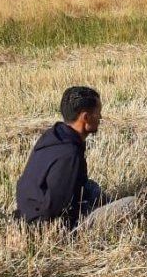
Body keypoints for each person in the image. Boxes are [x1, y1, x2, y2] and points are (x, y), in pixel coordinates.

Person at [15, 86, 135, 228]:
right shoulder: (69, 155)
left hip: (29, 208)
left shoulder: (55, 135)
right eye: (98, 113)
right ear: (85, 117)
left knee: (91, 187)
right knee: (133, 203)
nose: (100, 117)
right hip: (47, 224)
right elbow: (54, 207)